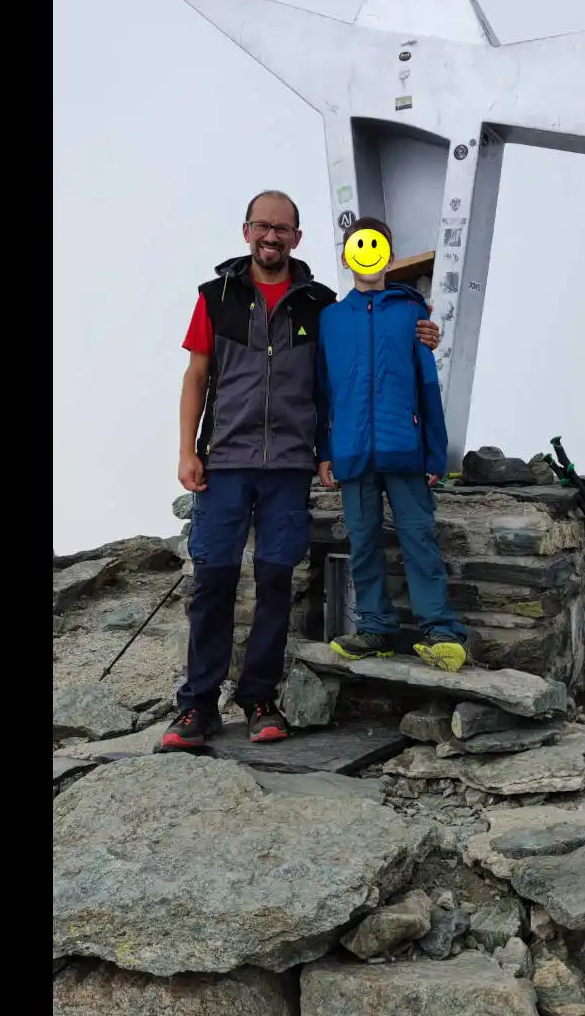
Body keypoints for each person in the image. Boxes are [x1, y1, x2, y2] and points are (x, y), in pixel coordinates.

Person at [166, 192, 439, 750]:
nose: (272, 237)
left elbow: (359, 343)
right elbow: (196, 377)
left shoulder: (318, 304)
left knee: (274, 581)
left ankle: (260, 700)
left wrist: (422, 330)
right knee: (212, 579)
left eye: (282, 228)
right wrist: (186, 450)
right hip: (225, 460)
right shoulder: (214, 296)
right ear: (246, 231)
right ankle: (197, 706)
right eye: (262, 227)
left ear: (297, 236)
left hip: (289, 465)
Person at [318, 216, 471, 663]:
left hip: (404, 448)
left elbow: (427, 387)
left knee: (419, 538)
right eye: (358, 246)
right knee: (363, 542)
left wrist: (435, 451)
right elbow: (323, 391)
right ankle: (376, 629)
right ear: (347, 256)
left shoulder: (412, 313)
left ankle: (441, 631)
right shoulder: (329, 319)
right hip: (351, 452)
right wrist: (324, 452)